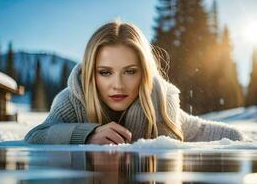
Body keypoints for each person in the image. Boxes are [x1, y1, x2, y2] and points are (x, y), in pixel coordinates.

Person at [25, 20, 244, 145]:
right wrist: (88, 134)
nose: (118, 85)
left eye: (130, 71)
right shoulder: (73, 98)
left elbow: (233, 136)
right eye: (105, 72)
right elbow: (35, 135)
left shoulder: (160, 97)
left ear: (144, 73)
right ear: (91, 74)